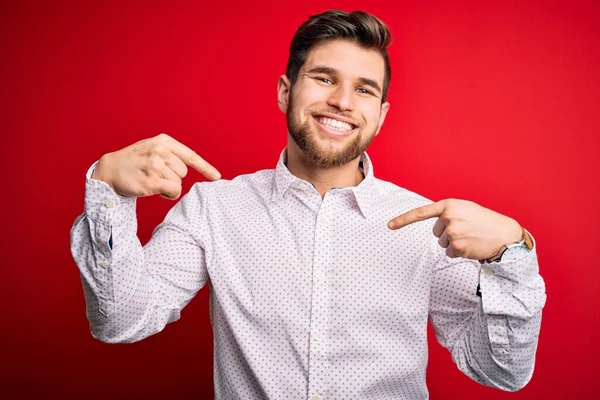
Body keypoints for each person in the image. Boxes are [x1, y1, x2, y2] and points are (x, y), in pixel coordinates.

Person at [70, 10, 546, 400]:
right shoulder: (212, 209)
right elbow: (121, 321)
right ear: (285, 91)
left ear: (379, 116)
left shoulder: (428, 227)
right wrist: (108, 192)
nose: (342, 101)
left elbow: (500, 371)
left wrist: (512, 255)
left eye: (364, 89)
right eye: (323, 78)